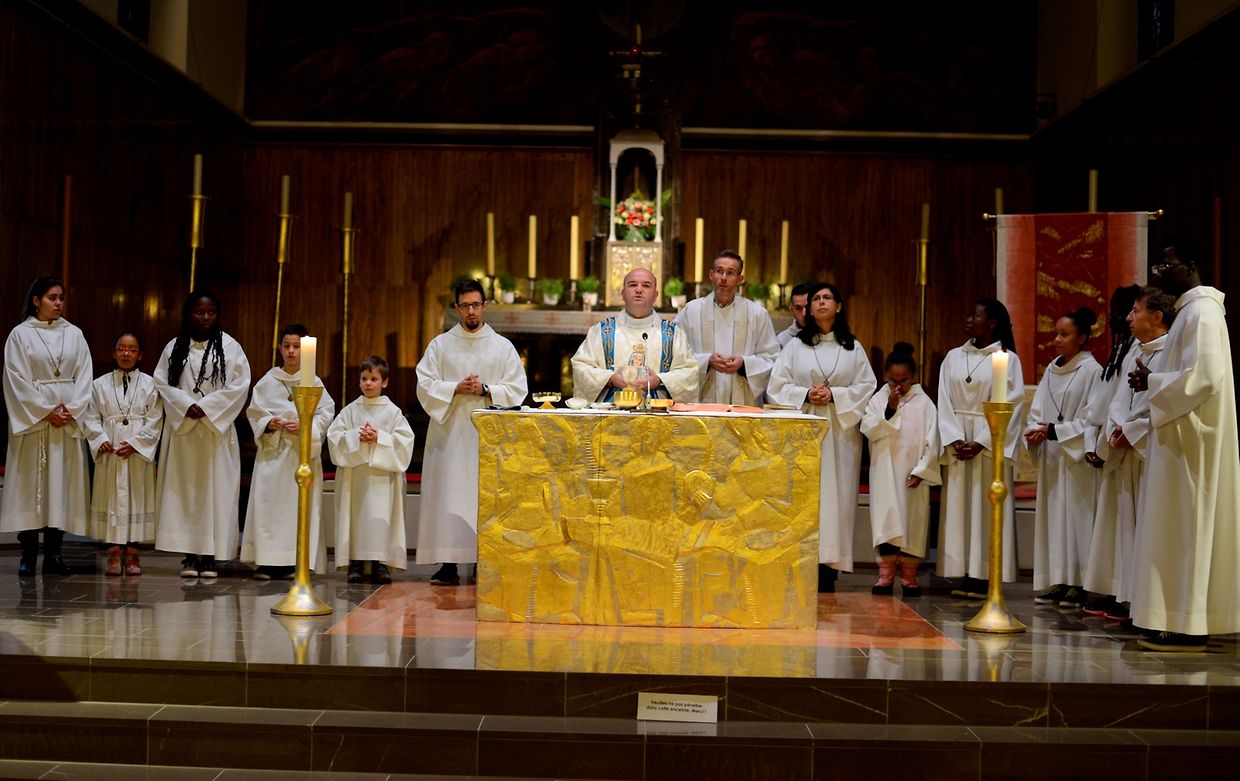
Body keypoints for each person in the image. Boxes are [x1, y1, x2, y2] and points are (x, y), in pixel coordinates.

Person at [1128, 244, 1240, 651]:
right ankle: (1168, 615)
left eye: (1168, 263)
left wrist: (1153, 384)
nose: (1159, 271)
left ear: (1191, 267)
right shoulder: (1191, 313)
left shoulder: (1203, 312)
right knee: (1173, 528)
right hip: (1179, 433)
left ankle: (1187, 622)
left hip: (1193, 440)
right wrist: (1154, 379)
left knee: (1187, 527)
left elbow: (1204, 377)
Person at [416, 280, 527, 586]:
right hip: (450, 432)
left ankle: (484, 559)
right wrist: (455, 387)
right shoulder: (440, 345)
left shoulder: (502, 347)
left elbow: (518, 388)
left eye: (476, 305)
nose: (471, 311)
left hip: (486, 435)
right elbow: (424, 384)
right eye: (465, 305)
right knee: (449, 494)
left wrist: (485, 389)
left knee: (483, 495)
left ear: (485, 306)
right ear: (457, 308)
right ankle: (448, 563)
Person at [768, 282, 876, 591]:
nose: (821, 302)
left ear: (839, 306)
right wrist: (806, 393)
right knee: (804, 494)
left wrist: (834, 396)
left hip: (840, 432)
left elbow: (866, 386)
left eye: (828, 297)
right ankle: (801, 561)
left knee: (836, 498)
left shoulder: (853, 348)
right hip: (804, 428)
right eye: (816, 298)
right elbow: (777, 386)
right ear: (809, 308)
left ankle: (830, 567)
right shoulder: (795, 347)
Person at [1083, 288, 1174, 621]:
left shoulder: (1170, 353)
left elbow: (1167, 402)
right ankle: (1124, 595)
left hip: (1148, 455)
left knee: (1142, 530)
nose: (1128, 318)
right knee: (1123, 529)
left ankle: (1140, 602)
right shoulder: (1134, 349)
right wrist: (1113, 430)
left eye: (1135, 311)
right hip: (1123, 450)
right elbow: (1118, 398)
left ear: (1157, 317)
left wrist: (1132, 431)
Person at [153, 291, 252, 579]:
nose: (206, 318)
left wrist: (206, 407)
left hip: (214, 433)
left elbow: (240, 385)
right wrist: (186, 405)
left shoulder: (231, 347)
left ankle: (210, 556)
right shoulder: (174, 348)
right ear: (188, 314)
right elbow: (161, 383)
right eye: (199, 312)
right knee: (186, 494)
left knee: (214, 492)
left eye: (210, 313)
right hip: (184, 432)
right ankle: (189, 554)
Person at [1, 276, 93, 576]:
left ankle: (54, 554)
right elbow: (15, 380)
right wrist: (44, 412)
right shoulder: (20, 335)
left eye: (61, 298)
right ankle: (28, 554)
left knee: (61, 488)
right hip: (35, 423)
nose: (58, 303)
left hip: (66, 422)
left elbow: (85, 378)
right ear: (36, 300)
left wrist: (71, 410)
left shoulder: (75, 334)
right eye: (52, 298)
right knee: (31, 488)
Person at [937, 298, 1025, 599]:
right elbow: (944, 399)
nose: (968, 319)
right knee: (960, 508)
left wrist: (983, 440)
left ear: (992, 323)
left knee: (986, 506)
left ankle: (985, 575)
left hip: (988, 441)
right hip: (959, 438)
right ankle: (961, 570)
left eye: (976, 315)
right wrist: (952, 437)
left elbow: (1012, 402)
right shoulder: (953, 357)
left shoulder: (1007, 359)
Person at [240, 324, 336, 580]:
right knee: (269, 508)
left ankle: (298, 561)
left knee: (298, 508)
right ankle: (268, 561)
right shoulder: (268, 381)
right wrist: (268, 423)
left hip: (300, 455)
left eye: (297, 346)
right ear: (280, 348)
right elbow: (255, 412)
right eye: (287, 346)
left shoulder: (313, 382)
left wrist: (306, 425)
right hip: (274, 455)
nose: (292, 351)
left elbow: (326, 414)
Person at [1024, 308, 1102, 609]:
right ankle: (1058, 579)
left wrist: (1055, 430)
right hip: (1052, 456)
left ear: (1082, 337)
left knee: (1076, 517)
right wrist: (1035, 430)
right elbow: (1037, 410)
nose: (1056, 340)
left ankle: (1079, 582)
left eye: (1064, 334)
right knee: (1054, 519)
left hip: (1075, 457)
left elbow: (1093, 417)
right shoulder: (1052, 369)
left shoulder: (1091, 371)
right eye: (1056, 333)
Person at [1079, 285, 1144, 617]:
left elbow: (1122, 401)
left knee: (1126, 524)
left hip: (1125, 445)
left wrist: (1107, 438)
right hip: (1109, 441)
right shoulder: (1121, 349)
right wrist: (1092, 439)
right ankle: (1109, 587)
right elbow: (1100, 402)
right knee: (1111, 523)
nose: (1120, 317)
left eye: (1127, 309)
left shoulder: (1139, 349)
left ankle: (1124, 593)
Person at [860, 342, 941, 597]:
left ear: (913, 377)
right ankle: (885, 576)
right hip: (884, 472)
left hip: (912, 476)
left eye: (903, 381)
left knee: (913, 523)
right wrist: (891, 408)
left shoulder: (924, 403)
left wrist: (923, 469)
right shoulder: (878, 399)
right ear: (885, 377)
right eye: (892, 381)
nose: (898, 387)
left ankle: (909, 577)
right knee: (886, 521)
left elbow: (933, 439)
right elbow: (869, 429)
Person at [327, 355, 415, 584]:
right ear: (358, 381)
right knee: (355, 517)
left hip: (382, 478)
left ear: (384, 382)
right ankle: (355, 563)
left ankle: (380, 564)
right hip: (355, 475)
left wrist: (380, 438)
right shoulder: (350, 411)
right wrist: (357, 436)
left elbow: (405, 440)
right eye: (364, 378)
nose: (368, 383)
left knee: (380, 517)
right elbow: (334, 437)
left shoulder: (393, 412)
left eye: (373, 379)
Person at [81, 331, 163, 576]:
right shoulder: (99, 384)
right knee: (111, 497)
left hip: (137, 452)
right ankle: (114, 550)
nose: (126, 353)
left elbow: (155, 418)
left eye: (132, 349)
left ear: (140, 355)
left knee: (137, 497)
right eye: (121, 349)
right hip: (111, 449)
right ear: (114, 352)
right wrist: (101, 439)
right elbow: (91, 416)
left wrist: (138, 443)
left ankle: (133, 551)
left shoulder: (151, 385)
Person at [572, 268, 698, 403]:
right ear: (623, 293)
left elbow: (689, 371)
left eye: (646, 285)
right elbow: (581, 366)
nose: (639, 290)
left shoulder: (672, 334)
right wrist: (610, 379)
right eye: (632, 285)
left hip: (658, 416)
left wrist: (660, 380)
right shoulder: (601, 332)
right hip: (611, 415)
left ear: (656, 295)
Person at [674, 250, 780, 405]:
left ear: (740, 279)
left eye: (730, 273)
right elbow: (675, 354)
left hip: (743, 402)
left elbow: (772, 359)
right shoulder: (691, 311)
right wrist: (707, 361)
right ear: (711, 275)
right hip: (701, 403)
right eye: (719, 271)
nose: (723, 278)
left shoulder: (757, 314)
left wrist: (744, 364)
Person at [777, 283, 812, 348]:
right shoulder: (781, 340)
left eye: (807, 307)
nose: (804, 314)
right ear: (792, 310)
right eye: (798, 308)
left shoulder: (826, 335)